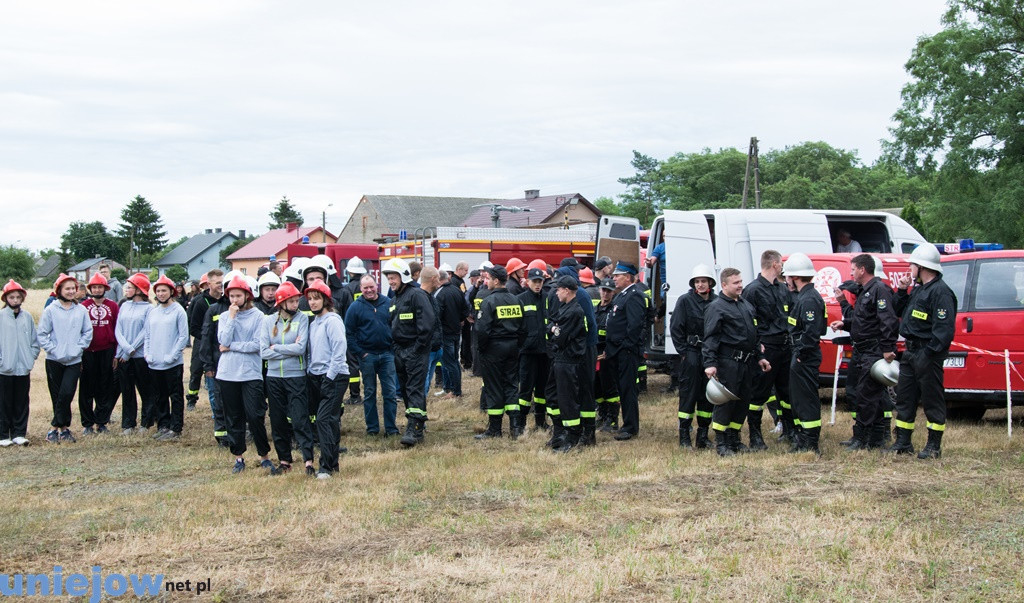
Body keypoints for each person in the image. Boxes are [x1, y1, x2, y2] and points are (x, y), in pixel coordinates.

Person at [890, 245, 957, 459]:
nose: (909, 269)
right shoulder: (918, 289)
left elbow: (944, 331)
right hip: (910, 352)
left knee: (932, 399)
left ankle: (933, 446)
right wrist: (901, 290)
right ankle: (903, 442)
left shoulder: (941, 292)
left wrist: (929, 353)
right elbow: (898, 310)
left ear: (922, 267)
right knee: (905, 398)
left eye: (912, 265)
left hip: (927, 354)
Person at [829, 254, 898, 450]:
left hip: (873, 351)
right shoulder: (865, 292)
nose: (851, 274)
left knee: (867, 395)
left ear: (862, 269)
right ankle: (866, 437)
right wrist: (845, 323)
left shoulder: (879, 290)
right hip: (861, 350)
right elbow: (864, 322)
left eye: (853, 270)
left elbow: (888, 321)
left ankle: (865, 438)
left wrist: (887, 348)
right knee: (860, 394)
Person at [703, 268, 772, 456]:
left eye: (741, 281)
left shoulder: (746, 305)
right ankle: (722, 443)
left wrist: (760, 357)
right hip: (728, 363)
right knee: (726, 403)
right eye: (735, 283)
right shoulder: (716, 307)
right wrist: (710, 363)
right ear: (724, 285)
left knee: (743, 402)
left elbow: (754, 336)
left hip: (747, 363)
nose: (740, 285)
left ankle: (734, 439)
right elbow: (710, 337)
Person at [217, 275, 276, 475]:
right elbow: (222, 338)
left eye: (238, 296)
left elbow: (257, 345)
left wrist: (232, 346)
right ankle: (238, 456)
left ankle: (264, 455)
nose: (234, 300)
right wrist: (232, 318)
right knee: (233, 417)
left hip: (250, 373)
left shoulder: (259, 316)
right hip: (228, 373)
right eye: (231, 296)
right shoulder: (225, 317)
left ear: (247, 296)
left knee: (255, 415)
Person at [741, 250, 791, 450]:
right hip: (766, 346)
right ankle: (755, 436)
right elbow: (747, 321)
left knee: (786, 392)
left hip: (784, 346)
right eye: (781, 264)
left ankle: (789, 430)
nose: (782, 267)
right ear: (775, 265)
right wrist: (757, 347)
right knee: (758, 394)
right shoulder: (753, 290)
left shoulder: (782, 289)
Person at [382, 258, 435, 447]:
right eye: (388, 279)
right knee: (405, 390)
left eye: (393, 278)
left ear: (403, 276)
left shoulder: (416, 295)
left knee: (414, 389)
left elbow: (427, 326)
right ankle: (416, 422)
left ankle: (415, 430)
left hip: (416, 351)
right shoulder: (396, 299)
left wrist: (416, 349)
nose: (391, 282)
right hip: (400, 351)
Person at [36, 274, 93, 443]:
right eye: (66, 288)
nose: (70, 291)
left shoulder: (81, 310)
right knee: (57, 395)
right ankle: (64, 429)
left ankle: (54, 426)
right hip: (54, 360)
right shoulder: (51, 310)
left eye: (72, 289)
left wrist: (78, 348)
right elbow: (42, 334)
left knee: (67, 392)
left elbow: (87, 332)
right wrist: (54, 350)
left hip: (74, 360)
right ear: (59, 290)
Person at [260, 281, 308, 474]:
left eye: (297, 301)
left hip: (296, 376)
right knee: (277, 420)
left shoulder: (302, 319)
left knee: (299, 418)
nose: (296, 305)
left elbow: (301, 348)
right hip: (273, 377)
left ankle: (308, 460)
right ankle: (284, 460)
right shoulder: (268, 321)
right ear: (282, 303)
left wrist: (277, 348)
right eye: (292, 301)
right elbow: (263, 352)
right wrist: (290, 351)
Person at [474, 266, 526, 439]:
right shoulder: (516, 300)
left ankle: (495, 430)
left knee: (494, 386)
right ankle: (516, 428)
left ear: (496, 281)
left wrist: (482, 350)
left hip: (493, 349)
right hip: (512, 347)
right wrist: (517, 346)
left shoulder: (489, 302)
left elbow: (482, 330)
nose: (486, 281)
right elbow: (523, 329)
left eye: (488, 278)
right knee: (511, 385)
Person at [305, 280, 349, 478]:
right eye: (310, 299)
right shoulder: (314, 323)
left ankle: (326, 466)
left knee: (323, 419)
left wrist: (330, 377)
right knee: (329, 421)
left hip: (335, 375)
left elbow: (339, 350)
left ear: (326, 300)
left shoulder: (332, 320)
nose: (312, 303)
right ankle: (333, 463)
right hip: (316, 376)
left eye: (317, 298)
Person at [783, 253, 827, 454]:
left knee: (806, 399)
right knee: (798, 398)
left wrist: (800, 353)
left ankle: (810, 443)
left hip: (805, 356)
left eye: (787, 277)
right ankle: (802, 438)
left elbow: (812, 332)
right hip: (800, 354)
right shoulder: (805, 296)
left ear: (795, 277)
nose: (786, 281)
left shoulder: (809, 299)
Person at [669, 265, 716, 448]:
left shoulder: (717, 302)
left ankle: (703, 436)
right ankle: (684, 436)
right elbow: (675, 328)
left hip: (709, 354)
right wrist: (684, 353)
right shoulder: (685, 301)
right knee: (688, 395)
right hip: (691, 353)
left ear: (710, 282)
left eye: (703, 281)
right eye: (697, 281)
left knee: (707, 395)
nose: (700, 285)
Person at [345, 275, 398, 437]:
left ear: (377, 286)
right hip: (367, 357)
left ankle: (391, 428)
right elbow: (349, 334)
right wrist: (361, 353)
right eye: (365, 288)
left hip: (387, 355)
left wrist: (392, 349)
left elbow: (396, 326)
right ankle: (373, 428)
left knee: (390, 392)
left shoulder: (388, 303)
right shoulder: (355, 307)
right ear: (361, 289)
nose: (369, 290)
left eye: (371, 287)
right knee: (369, 393)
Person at [604, 262, 646, 441]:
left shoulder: (634, 295)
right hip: (617, 351)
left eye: (617, 275)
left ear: (628, 277)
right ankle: (626, 423)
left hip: (626, 351)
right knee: (622, 388)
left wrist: (625, 347)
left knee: (628, 389)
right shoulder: (622, 295)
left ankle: (630, 427)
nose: (613, 278)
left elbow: (635, 325)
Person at [145, 275, 189, 441]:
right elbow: (147, 335)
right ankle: (163, 424)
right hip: (155, 362)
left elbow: (183, 337)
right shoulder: (153, 312)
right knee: (159, 395)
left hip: (172, 363)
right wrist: (148, 354)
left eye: (164, 290)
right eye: (158, 291)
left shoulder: (178, 311)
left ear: (171, 291)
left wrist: (173, 355)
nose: (161, 293)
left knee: (175, 395)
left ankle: (176, 427)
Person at [547, 276, 588, 452]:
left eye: (558, 289)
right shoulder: (565, 308)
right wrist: (553, 329)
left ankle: (572, 437)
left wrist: (554, 330)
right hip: (560, 360)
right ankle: (560, 431)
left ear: (567, 290)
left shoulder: (574, 311)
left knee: (568, 400)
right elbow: (553, 329)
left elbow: (559, 337)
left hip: (569, 361)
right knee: (551, 395)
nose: (556, 293)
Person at [78, 272, 120, 436]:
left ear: (105, 288)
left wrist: (116, 353)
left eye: (99, 287)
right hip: (88, 351)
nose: (96, 290)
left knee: (105, 387)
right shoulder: (83, 306)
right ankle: (87, 423)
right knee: (87, 388)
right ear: (90, 289)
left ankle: (101, 421)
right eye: (94, 287)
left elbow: (117, 329)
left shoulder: (113, 306)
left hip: (107, 351)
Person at [0, 280, 40, 447]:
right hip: (5, 368)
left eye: (18, 297)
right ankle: (3, 434)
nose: (15, 300)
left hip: (23, 367)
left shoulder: (27, 317)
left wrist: (30, 358)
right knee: (4, 401)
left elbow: (34, 342)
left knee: (22, 401)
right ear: (5, 298)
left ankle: (19, 433)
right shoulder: (1, 317)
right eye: (11, 297)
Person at [114, 273, 154, 435]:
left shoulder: (149, 309)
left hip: (140, 357)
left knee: (146, 390)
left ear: (139, 290)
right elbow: (118, 329)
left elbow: (146, 332)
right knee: (127, 391)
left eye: (129, 287)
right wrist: (121, 352)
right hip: (124, 356)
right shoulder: (124, 306)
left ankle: (146, 422)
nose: (126, 289)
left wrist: (130, 350)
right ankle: (128, 424)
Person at [517, 267, 550, 431]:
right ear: (527, 281)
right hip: (528, 353)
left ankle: (540, 422)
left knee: (542, 390)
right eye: (535, 282)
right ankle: (520, 423)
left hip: (545, 352)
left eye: (540, 282)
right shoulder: (520, 299)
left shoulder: (548, 298)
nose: (538, 285)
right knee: (525, 389)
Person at [186, 269, 223, 411]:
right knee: (196, 370)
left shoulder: (225, 300)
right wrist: (207, 338)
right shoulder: (200, 302)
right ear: (209, 284)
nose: (221, 285)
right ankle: (192, 399)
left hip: (220, 344)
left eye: (222, 282)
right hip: (202, 342)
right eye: (218, 283)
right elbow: (193, 326)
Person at [435, 268, 468, 399]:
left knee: (450, 363)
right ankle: (450, 388)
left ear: (438, 279)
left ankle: (455, 391)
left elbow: (437, 315)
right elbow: (465, 310)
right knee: (453, 361)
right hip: (456, 331)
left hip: (446, 333)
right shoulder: (457, 290)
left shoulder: (440, 293)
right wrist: (459, 321)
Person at [594, 278, 621, 433]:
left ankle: (612, 420)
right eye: (603, 290)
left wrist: (608, 352)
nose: (605, 293)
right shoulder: (595, 309)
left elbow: (616, 334)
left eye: (609, 291)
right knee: (596, 387)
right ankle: (603, 415)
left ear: (613, 292)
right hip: (594, 354)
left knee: (609, 388)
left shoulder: (614, 310)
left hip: (607, 356)